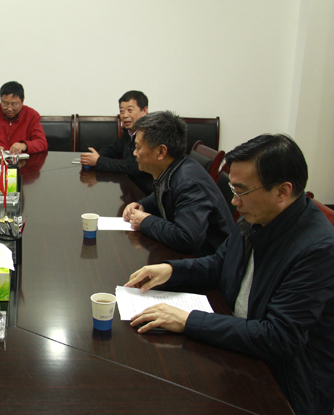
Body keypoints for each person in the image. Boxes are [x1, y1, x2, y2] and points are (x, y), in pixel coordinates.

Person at [125, 134, 334, 415]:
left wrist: (188, 320)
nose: (234, 201)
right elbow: (220, 264)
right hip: (240, 345)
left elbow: (279, 337)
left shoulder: (317, 249)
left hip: (284, 383)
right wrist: (171, 270)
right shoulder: (258, 217)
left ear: (283, 191)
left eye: (241, 191)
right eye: (233, 189)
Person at [122, 111, 233, 256]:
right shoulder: (172, 167)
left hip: (211, 260)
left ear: (161, 152)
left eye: (138, 147)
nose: (134, 153)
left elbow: (187, 238)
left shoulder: (189, 183)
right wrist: (142, 205)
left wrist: (145, 221)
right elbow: (163, 195)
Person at [81, 90, 154, 195]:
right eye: (122, 111)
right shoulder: (129, 132)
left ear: (144, 110)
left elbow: (134, 167)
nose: (125, 115)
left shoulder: (150, 134)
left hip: (146, 194)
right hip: (130, 190)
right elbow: (113, 149)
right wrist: (94, 157)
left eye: (130, 110)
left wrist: (99, 161)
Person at [0, 81, 48, 157]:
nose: (9, 109)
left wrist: (24, 145)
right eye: (5, 104)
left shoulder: (32, 115)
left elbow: (42, 143)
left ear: (22, 100)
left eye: (14, 104)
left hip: (22, 163)